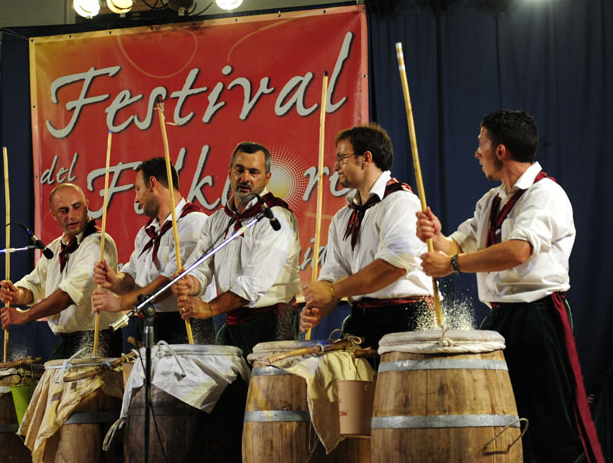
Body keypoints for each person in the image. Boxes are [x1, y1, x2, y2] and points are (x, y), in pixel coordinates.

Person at [416, 110, 603, 463]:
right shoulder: (491, 200)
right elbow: (457, 245)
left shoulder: (545, 194)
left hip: (538, 317)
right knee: (501, 417)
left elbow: (518, 250)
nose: (477, 152)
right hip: (499, 319)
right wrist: (436, 236)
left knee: (549, 423)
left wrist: (452, 265)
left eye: (481, 143)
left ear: (500, 151)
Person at [300, 124, 433, 350]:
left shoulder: (401, 202)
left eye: (342, 158)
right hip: (362, 319)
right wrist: (319, 305)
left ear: (365, 158)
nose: (335, 166)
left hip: (405, 319)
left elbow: (393, 267)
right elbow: (335, 274)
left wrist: (332, 291)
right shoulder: (343, 217)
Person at [172, 141, 301, 359]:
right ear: (230, 172)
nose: (245, 178)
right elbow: (201, 267)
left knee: (268, 391)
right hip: (232, 320)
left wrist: (208, 309)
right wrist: (190, 282)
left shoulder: (276, 218)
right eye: (239, 170)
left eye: (254, 172)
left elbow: (253, 284)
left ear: (267, 178)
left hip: (273, 324)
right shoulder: (217, 220)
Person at [91, 157, 214, 344]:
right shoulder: (146, 233)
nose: (136, 198)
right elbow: (132, 276)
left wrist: (122, 303)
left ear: (152, 183)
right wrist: (115, 282)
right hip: (150, 323)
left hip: (185, 325)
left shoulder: (194, 222)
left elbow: (170, 282)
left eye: (137, 189)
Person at [0, 183, 121, 360]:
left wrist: (25, 316)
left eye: (76, 207)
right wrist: (17, 294)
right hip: (67, 340)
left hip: (97, 338)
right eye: (64, 211)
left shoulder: (98, 244)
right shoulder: (55, 248)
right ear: (54, 215)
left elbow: (67, 295)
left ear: (86, 205)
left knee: (89, 388)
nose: (71, 215)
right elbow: (34, 286)